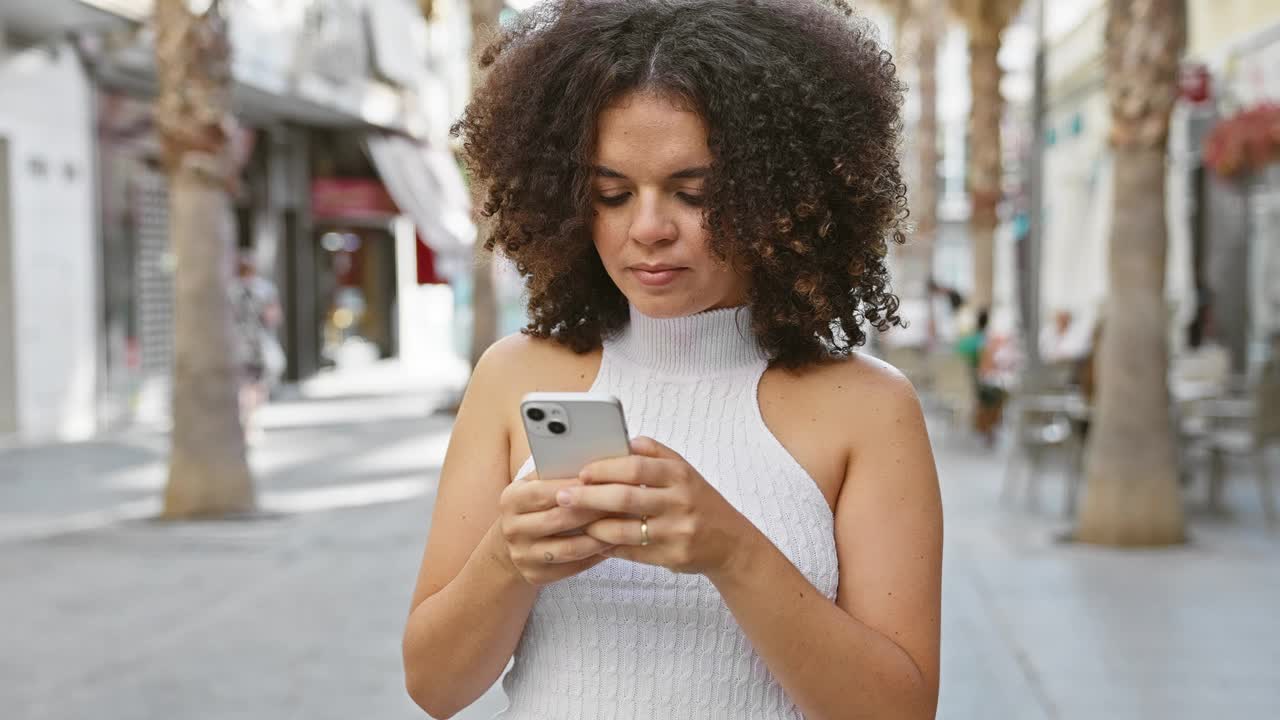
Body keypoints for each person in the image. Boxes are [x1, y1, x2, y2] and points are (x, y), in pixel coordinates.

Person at [402, 3, 942, 718]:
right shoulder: (512, 379)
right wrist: (506, 562)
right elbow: (434, 689)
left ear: (780, 196)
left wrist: (732, 551)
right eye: (612, 195)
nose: (648, 229)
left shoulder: (868, 410)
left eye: (695, 194)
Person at [230, 252, 283, 444]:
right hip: (258, 345)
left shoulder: (230, 289)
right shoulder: (265, 289)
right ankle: (251, 423)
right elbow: (274, 317)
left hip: (236, 345)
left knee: (243, 385)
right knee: (256, 385)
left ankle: (246, 420)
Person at [955, 309, 1006, 445]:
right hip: (974, 386)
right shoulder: (983, 342)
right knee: (997, 393)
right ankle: (987, 429)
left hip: (957, 386)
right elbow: (986, 368)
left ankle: (982, 426)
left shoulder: (965, 340)